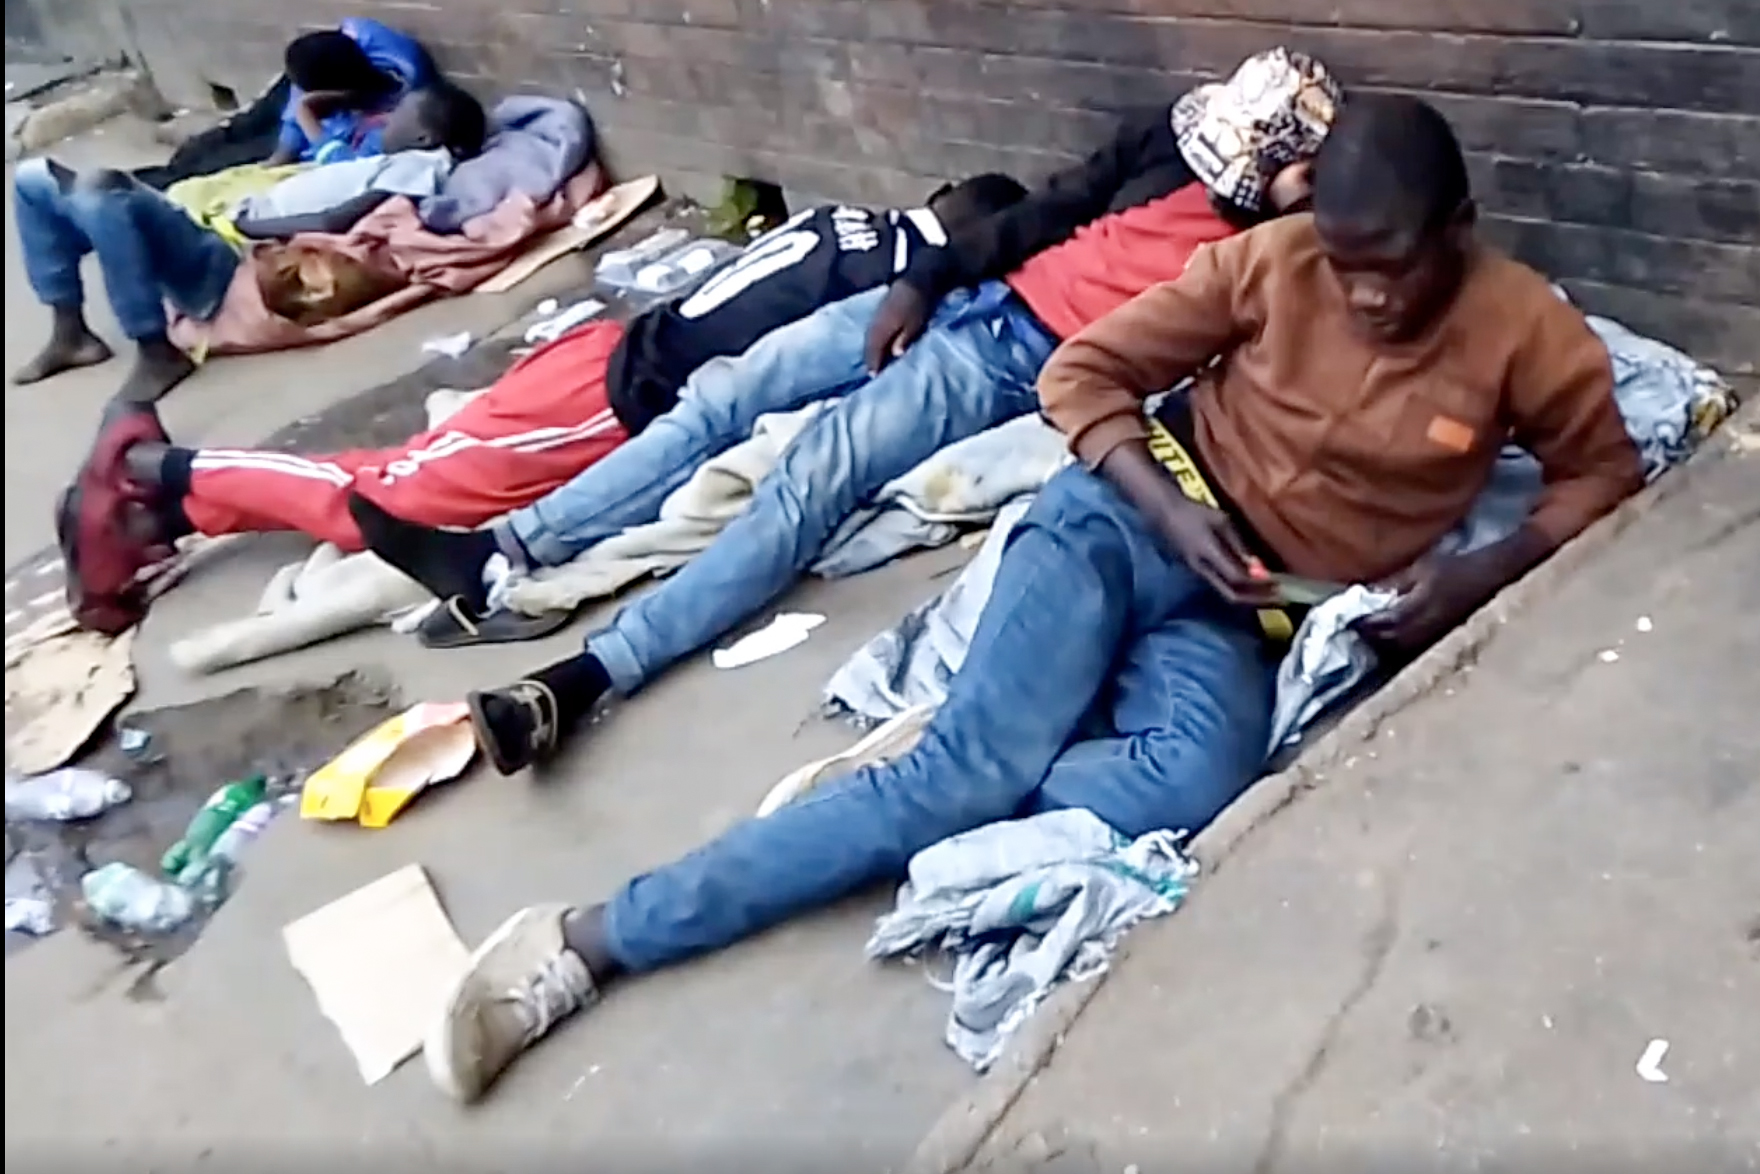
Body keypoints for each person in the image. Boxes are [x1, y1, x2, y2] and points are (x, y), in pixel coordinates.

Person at [417, 93, 1645, 1104]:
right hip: (1129, 518)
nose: (1366, 295)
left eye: (1394, 269)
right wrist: (1172, 512)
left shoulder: (1521, 332)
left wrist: (1478, 568)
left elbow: (1598, 469)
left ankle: (940, 763)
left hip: (1248, 609)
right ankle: (581, 942)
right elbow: (1083, 370)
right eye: (1345, 263)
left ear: (1459, 228)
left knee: (1186, 790)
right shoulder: (1270, 264)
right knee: (958, 784)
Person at [351, 48, 1342, 775]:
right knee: (727, 394)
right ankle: (503, 552)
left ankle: (583, 678)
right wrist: (926, 280)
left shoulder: (1278, 256)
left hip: (1013, 357)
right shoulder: (1171, 140)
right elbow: (1045, 210)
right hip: (968, 295)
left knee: (808, 477)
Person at [55, 174, 1029, 636]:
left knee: (421, 468)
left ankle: (171, 507)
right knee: (406, 492)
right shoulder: (892, 281)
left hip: (600, 355)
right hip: (608, 399)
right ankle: (169, 474)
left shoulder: (841, 226)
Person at [10, 82, 488, 403]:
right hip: (225, 230)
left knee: (99, 192)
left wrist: (251, 230)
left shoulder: (420, 167)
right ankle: (71, 332)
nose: (387, 122)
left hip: (233, 260)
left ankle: (156, 349)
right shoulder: (370, 158)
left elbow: (336, 216)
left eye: (399, 117)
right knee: (32, 180)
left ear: (425, 137)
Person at [263, 19, 437, 166]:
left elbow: (347, 168)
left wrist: (306, 116)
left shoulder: (389, 123)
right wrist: (283, 152)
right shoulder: (362, 36)